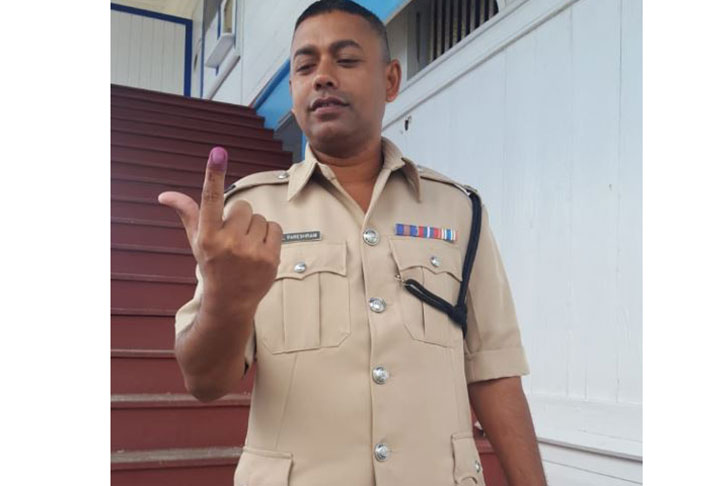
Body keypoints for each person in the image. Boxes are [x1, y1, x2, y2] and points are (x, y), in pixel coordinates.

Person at [158, 1, 547, 485]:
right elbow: (204, 382)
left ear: (390, 80)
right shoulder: (246, 214)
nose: (322, 77)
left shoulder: (458, 210)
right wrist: (224, 301)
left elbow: (494, 371)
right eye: (305, 66)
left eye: (345, 60)